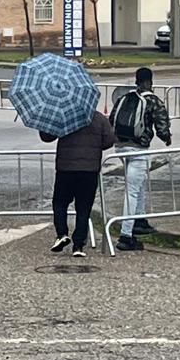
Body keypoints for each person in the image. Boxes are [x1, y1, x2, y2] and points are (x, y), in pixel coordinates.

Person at [109, 68, 172, 252]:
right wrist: (167, 137)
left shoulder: (124, 98)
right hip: (138, 149)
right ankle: (126, 235)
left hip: (121, 149)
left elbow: (112, 119)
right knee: (133, 191)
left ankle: (140, 219)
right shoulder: (152, 100)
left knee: (140, 183)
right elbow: (162, 124)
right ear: (149, 82)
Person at [40, 109, 116, 260]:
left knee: (60, 203)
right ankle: (79, 245)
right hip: (89, 170)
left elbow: (47, 137)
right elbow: (109, 141)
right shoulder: (99, 118)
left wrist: (45, 121)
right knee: (83, 208)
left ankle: (62, 234)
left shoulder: (64, 115)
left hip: (66, 169)